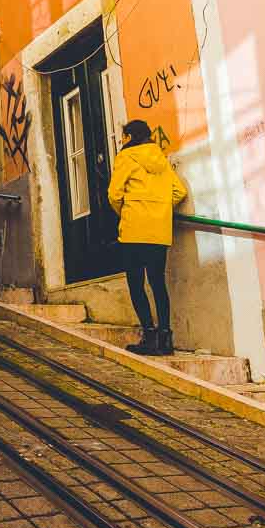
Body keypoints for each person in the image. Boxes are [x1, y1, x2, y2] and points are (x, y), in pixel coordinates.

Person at [107, 119, 187, 356]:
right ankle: (165, 338)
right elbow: (179, 192)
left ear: (130, 137)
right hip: (159, 232)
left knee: (136, 283)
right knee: (158, 282)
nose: (122, 141)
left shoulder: (125, 158)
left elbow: (114, 194)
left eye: (124, 136)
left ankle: (149, 337)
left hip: (134, 230)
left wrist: (128, 211)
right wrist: (160, 210)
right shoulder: (160, 158)